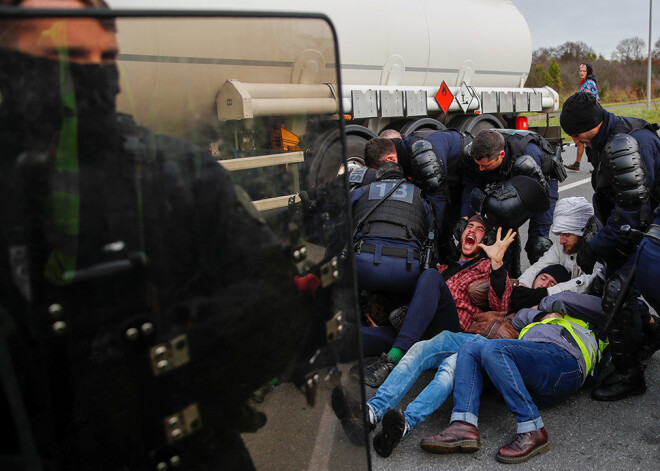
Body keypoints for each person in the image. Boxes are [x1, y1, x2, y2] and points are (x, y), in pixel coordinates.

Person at [0, 2, 345, 469]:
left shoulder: (177, 173)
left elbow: (275, 304)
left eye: (103, 58)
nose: (91, 75)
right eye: (65, 54)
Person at [420, 291, 606, 464]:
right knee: (470, 349)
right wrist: (541, 314)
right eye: (542, 277)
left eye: (551, 280)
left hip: (566, 361)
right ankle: (463, 424)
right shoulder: (540, 318)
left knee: (495, 349)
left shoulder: (586, 310)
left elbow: (568, 299)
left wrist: (545, 298)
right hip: (534, 372)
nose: (546, 283)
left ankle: (532, 427)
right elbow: (518, 317)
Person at [560, 91, 660, 401]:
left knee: (617, 292)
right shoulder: (601, 139)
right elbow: (610, 198)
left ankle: (630, 376)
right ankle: (649, 335)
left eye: (577, 133)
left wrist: (596, 247)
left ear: (592, 123)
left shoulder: (630, 144)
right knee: (614, 288)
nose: (576, 140)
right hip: (630, 223)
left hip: (648, 227)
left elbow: (633, 217)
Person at [352, 214, 514, 386]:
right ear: (461, 231)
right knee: (354, 337)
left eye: (479, 229)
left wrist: (497, 264)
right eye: (469, 226)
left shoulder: (486, 267)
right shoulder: (441, 267)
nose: (472, 230)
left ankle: (392, 360)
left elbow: (501, 305)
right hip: (419, 330)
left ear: (486, 239)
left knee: (430, 276)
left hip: (450, 333)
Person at [462, 128, 565, 274]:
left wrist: (506, 217)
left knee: (538, 244)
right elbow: (470, 187)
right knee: (500, 236)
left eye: (486, 165)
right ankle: (510, 278)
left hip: (539, 185)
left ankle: (545, 285)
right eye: (478, 165)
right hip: (504, 178)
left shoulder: (528, 156)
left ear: (501, 155)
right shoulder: (475, 154)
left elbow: (534, 197)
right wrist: (466, 216)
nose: (481, 169)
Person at [512, 197, 605, 310]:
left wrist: (546, 292)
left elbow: (588, 282)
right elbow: (540, 266)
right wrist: (523, 286)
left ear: (583, 233)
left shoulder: (600, 251)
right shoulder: (560, 245)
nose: (561, 241)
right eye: (560, 234)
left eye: (567, 234)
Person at [566, 63, 600, 172]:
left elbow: (589, 100)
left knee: (591, 141)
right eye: (580, 71)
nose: (581, 73)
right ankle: (577, 163)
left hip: (590, 116)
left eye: (584, 71)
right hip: (585, 115)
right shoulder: (585, 82)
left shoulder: (589, 83)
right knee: (581, 139)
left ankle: (598, 165)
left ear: (588, 72)